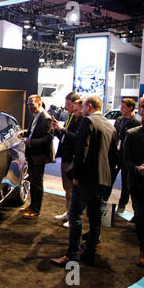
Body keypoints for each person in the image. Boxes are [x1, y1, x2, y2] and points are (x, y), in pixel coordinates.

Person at [51, 96, 117, 266]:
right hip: (103, 179)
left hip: (86, 179)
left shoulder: (88, 122)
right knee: (95, 217)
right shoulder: (110, 126)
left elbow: (82, 152)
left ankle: (72, 255)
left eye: (84, 107)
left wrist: (77, 176)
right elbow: (112, 158)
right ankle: (89, 252)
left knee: (74, 215)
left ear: (89, 106)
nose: (81, 110)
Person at [123, 100, 144, 267]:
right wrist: (137, 168)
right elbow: (126, 160)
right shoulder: (132, 134)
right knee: (140, 217)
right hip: (138, 181)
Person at [21, 94, 54, 218]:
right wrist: (25, 133)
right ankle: (32, 205)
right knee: (32, 181)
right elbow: (33, 132)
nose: (29, 107)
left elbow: (48, 138)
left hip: (39, 156)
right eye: (28, 104)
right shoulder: (35, 115)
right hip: (32, 154)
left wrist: (31, 142)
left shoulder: (46, 118)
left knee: (37, 183)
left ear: (39, 103)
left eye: (32, 104)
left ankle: (36, 209)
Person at [52, 93, 82, 227]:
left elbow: (76, 139)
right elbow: (65, 138)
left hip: (72, 158)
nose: (68, 108)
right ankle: (68, 211)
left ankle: (73, 215)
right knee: (67, 188)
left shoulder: (81, 121)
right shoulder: (70, 117)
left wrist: (63, 129)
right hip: (65, 156)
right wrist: (58, 130)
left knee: (72, 189)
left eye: (70, 105)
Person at [111, 98, 141, 212]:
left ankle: (122, 204)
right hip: (116, 154)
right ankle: (103, 200)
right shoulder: (118, 120)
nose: (121, 108)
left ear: (130, 108)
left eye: (123, 107)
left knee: (125, 181)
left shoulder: (136, 122)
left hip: (127, 156)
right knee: (110, 178)